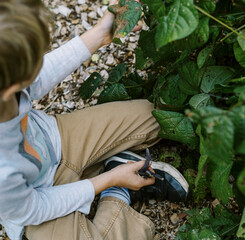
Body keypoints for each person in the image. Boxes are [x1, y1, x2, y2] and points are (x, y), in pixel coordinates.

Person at [0, 0, 189, 239]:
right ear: (13, 84)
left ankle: (105, 167)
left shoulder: (7, 85)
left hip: (57, 141)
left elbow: (39, 77)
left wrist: (100, 35)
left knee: (154, 116)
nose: (40, 61)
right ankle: (117, 192)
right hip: (38, 200)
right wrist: (110, 181)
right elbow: (35, 207)